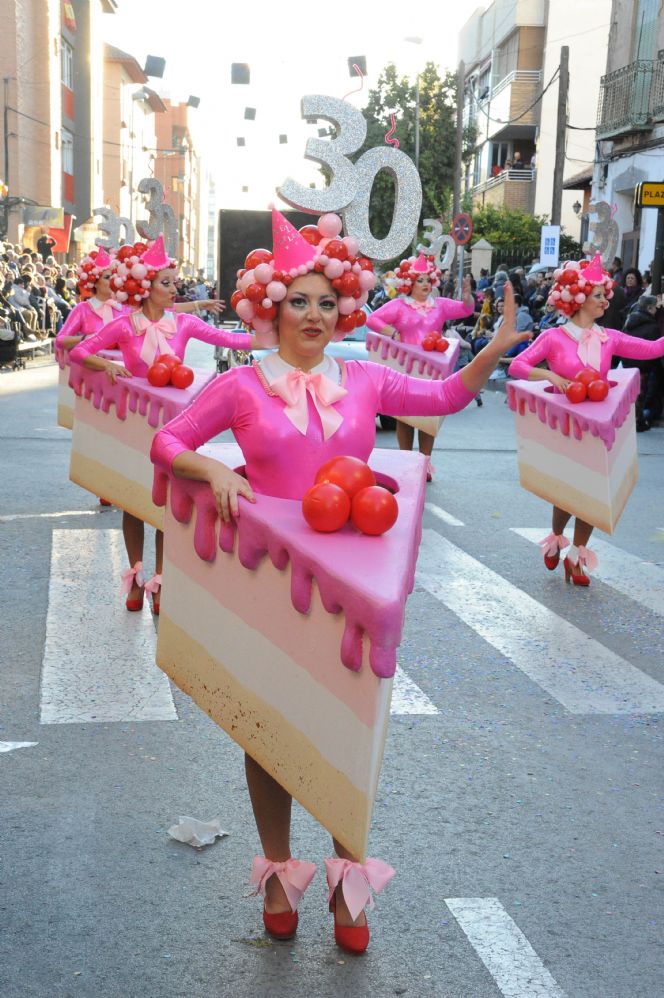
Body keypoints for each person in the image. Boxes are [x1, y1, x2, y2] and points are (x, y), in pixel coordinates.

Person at [150, 209, 530, 954]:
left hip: (350, 583)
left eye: (329, 301)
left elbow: (445, 398)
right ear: (270, 307)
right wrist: (211, 470)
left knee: (348, 727)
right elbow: (168, 441)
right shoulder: (240, 386)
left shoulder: (364, 378)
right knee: (270, 726)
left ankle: (350, 884)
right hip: (267, 576)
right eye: (300, 301)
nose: (316, 315)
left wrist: (492, 351)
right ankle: (277, 873)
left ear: (347, 306)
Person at [70, 236, 261, 616]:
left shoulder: (185, 323)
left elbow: (229, 338)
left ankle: (159, 583)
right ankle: (137, 581)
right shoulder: (124, 327)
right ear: (145, 288)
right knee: (132, 501)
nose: (175, 289)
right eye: (167, 283)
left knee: (164, 507)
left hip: (173, 433)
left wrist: (275, 336)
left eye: (175, 283)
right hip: (133, 427)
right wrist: (106, 365)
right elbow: (78, 351)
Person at [508, 254, 664, 585]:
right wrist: (551, 375)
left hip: (597, 428)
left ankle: (577, 557)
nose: (606, 300)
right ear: (577, 299)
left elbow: (651, 349)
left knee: (593, 492)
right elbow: (517, 366)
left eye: (604, 294)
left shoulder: (610, 338)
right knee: (565, 492)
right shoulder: (552, 337)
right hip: (563, 427)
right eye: (598, 295)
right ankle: (555, 538)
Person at [365, 253, 475, 480]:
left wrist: (467, 298)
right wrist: (392, 333)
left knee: (428, 417)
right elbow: (372, 319)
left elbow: (465, 311)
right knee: (404, 417)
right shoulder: (398, 305)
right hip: (404, 368)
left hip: (431, 370)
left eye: (428, 280)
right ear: (408, 283)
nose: (425, 284)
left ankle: (424, 463)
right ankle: (406, 462)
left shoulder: (440, 305)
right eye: (420, 280)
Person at [622, 293, 664, 431]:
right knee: (641, 394)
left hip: (628, 363)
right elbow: (655, 350)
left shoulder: (630, 320)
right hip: (644, 365)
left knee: (632, 394)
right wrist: (659, 369)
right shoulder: (652, 326)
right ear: (650, 308)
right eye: (655, 308)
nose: (657, 310)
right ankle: (638, 422)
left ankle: (632, 421)